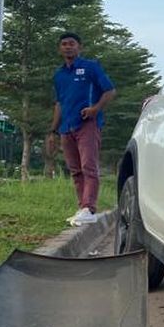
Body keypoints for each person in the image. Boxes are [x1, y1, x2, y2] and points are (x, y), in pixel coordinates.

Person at [49, 32, 116, 225]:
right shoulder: (59, 74)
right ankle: (82, 208)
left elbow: (110, 90)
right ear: (60, 49)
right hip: (66, 127)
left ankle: (89, 208)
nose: (68, 47)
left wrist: (95, 108)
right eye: (64, 44)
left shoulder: (90, 67)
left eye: (72, 44)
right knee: (75, 170)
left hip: (87, 124)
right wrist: (53, 131)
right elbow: (59, 103)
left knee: (89, 166)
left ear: (80, 47)